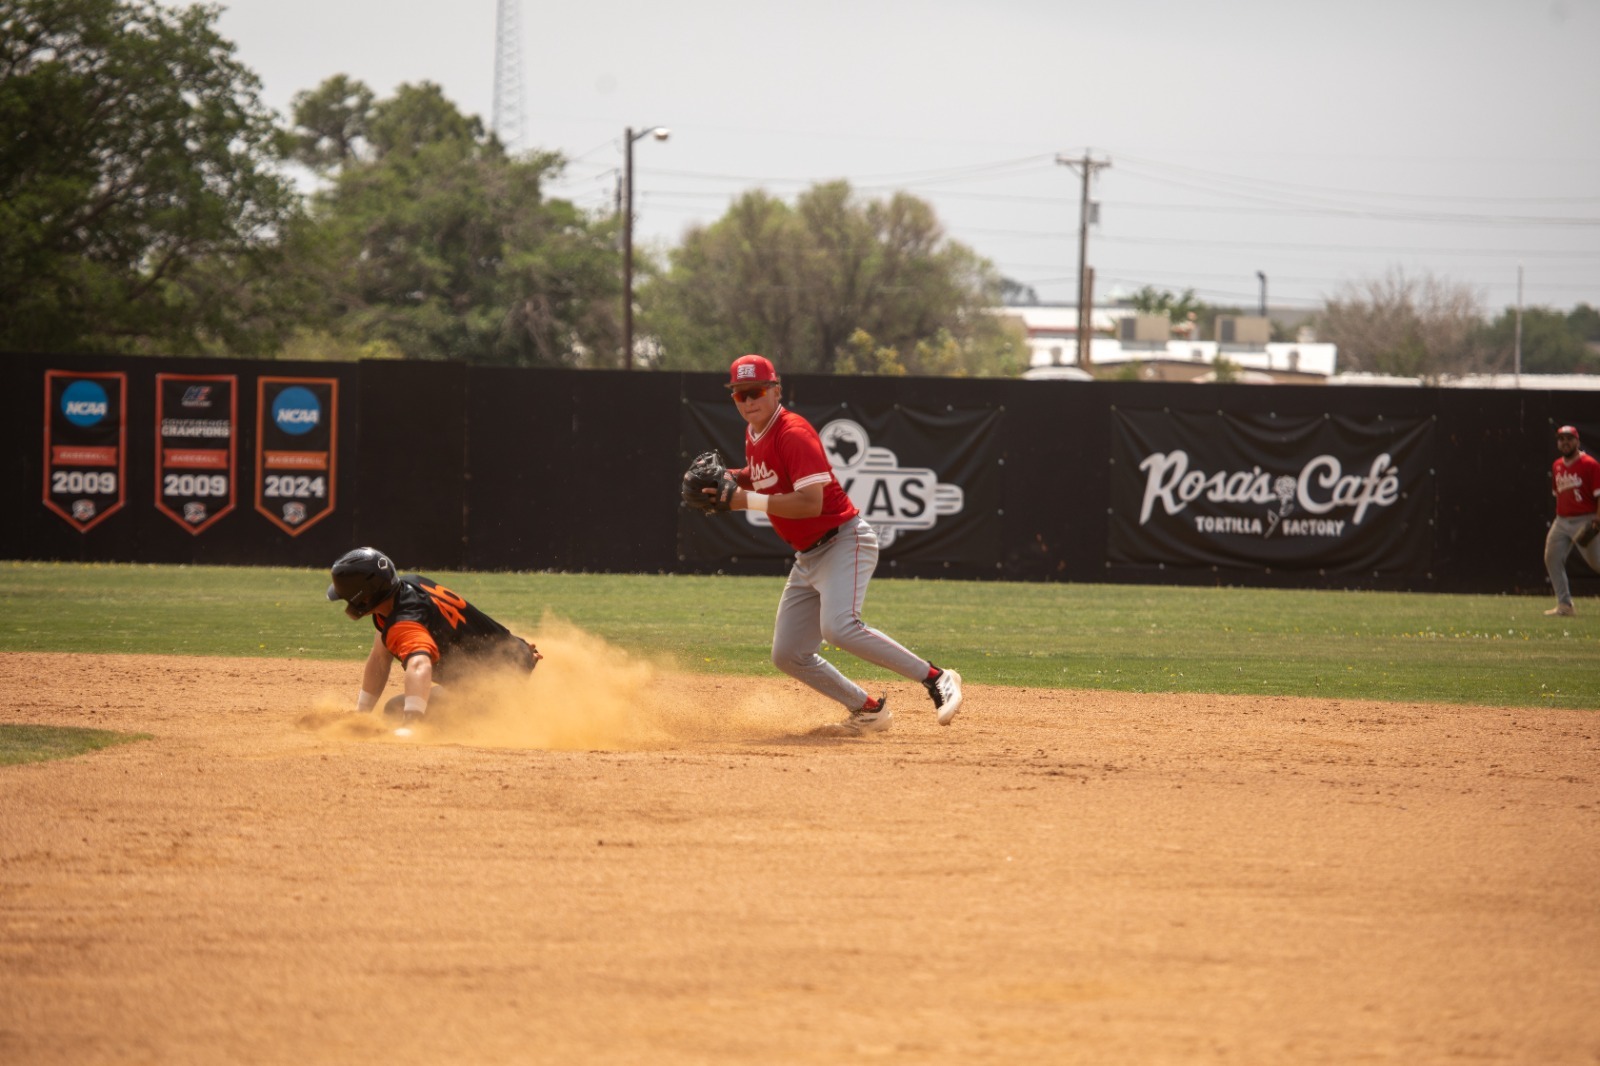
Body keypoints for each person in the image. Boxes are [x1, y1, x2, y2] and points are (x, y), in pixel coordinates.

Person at [700, 354, 964, 735]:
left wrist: (744, 500)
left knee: (840, 627)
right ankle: (868, 709)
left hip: (844, 540)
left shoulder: (793, 432)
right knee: (788, 655)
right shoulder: (754, 433)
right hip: (807, 557)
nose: (748, 401)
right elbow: (764, 477)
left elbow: (812, 503)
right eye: (739, 395)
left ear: (776, 391)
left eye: (756, 391)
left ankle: (937, 678)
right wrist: (732, 478)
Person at [325, 547, 540, 733]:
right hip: (508, 657)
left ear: (363, 598)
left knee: (408, 714)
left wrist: (412, 725)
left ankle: (513, 717)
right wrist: (361, 714)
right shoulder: (406, 589)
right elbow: (380, 658)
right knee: (395, 708)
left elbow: (420, 664)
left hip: (498, 683)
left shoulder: (405, 620)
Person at [1543, 425, 1600, 617]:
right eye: (1561, 439)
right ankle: (1565, 605)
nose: (1565, 442)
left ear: (1577, 441)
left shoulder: (1590, 464)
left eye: (1569, 438)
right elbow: (1558, 495)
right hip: (1562, 521)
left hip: (1585, 520)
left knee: (1597, 563)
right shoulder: (1557, 465)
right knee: (1552, 557)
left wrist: (1598, 519)